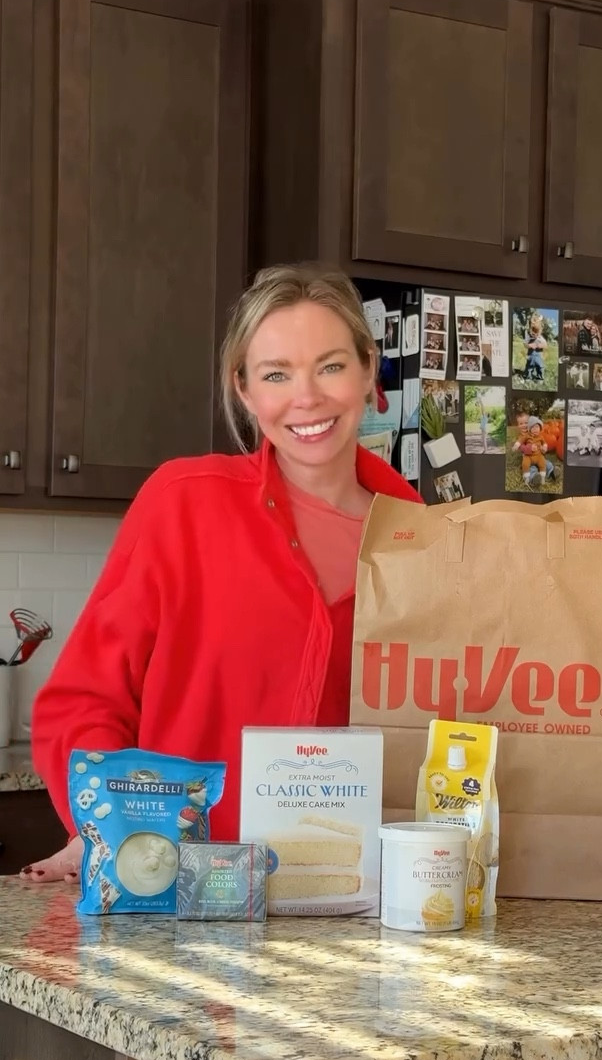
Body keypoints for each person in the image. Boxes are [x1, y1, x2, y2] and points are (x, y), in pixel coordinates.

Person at [22, 265, 423, 884]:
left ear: (370, 370)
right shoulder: (184, 503)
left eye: (331, 365)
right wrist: (99, 823)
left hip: (356, 905)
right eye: (276, 374)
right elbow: (86, 699)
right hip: (181, 897)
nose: (306, 396)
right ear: (244, 389)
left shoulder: (425, 541)